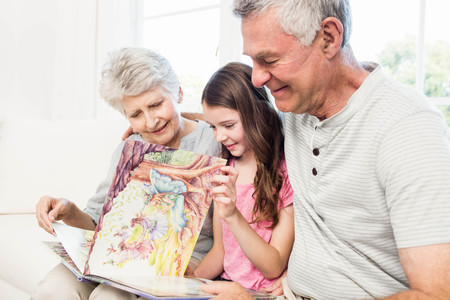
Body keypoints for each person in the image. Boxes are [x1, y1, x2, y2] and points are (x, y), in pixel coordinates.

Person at [202, 0, 450, 299]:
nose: (257, 78)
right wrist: (164, 125)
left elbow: (435, 294)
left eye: (269, 59)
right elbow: (238, 118)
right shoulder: (294, 108)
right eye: (253, 61)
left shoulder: (406, 129)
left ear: (328, 38)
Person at [32, 47, 221, 300]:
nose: (151, 121)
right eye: (135, 114)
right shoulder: (128, 148)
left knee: (110, 297)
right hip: (121, 252)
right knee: (53, 286)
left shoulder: (216, 138)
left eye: (156, 104)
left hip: (189, 261)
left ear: (178, 92)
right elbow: (96, 223)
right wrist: (67, 209)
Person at [188, 62, 294, 292]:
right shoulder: (226, 169)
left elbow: (273, 267)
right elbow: (221, 252)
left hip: (259, 292)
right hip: (225, 285)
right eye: (213, 127)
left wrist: (233, 215)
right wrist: (189, 281)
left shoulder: (285, 174)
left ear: (256, 114)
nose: (220, 136)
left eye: (227, 125)